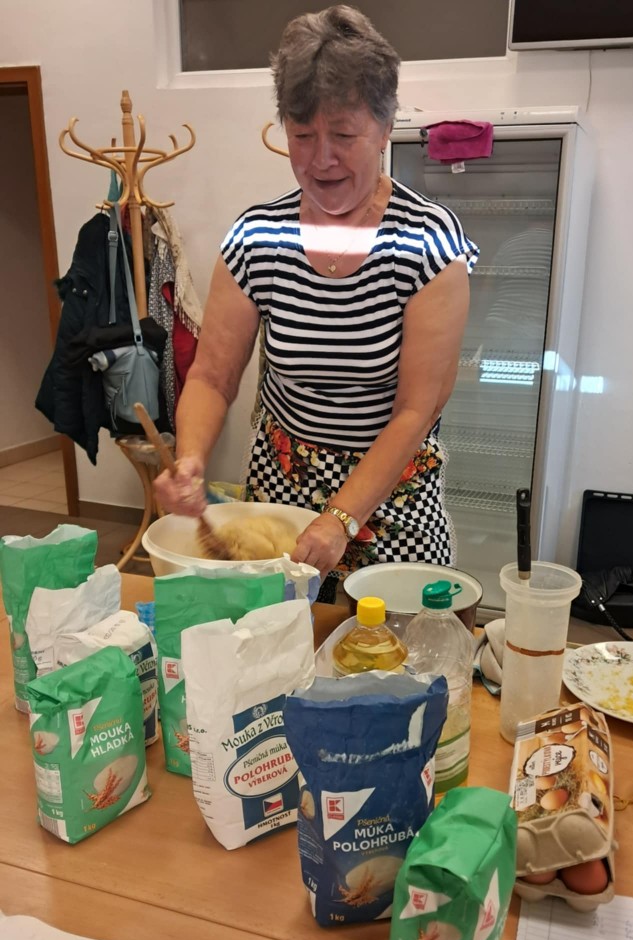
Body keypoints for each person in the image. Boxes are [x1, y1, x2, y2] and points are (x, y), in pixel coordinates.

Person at [155, 5, 479, 597]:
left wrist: (341, 518)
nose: (320, 158)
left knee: (387, 642)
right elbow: (212, 376)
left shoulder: (427, 241)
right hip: (281, 492)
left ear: (385, 127)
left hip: (390, 501)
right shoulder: (258, 237)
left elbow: (416, 409)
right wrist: (192, 458)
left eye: (344, 135)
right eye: (302, 135)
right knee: (276, 640)